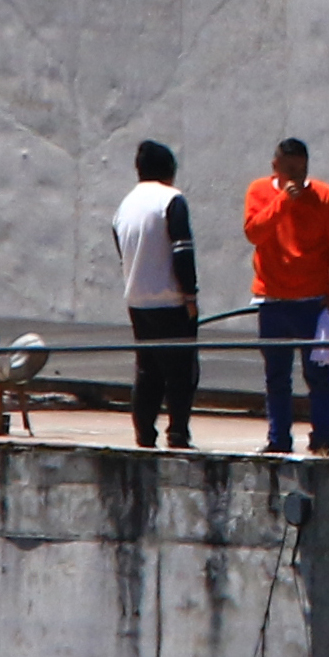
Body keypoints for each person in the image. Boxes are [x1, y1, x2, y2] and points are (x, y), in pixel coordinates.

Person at [242, 137, 329, 457]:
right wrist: (283, 202)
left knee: (318, 375)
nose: (296, 179)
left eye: (301, 171)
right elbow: (253, 233)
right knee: (276, 377)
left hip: (311, 303)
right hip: (273, 301)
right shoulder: (259, 192)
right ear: (275, 166)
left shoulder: (325, 197)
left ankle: (322, 439)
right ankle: (279, 438)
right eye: (289, 171)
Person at [109, 139, 200, 451]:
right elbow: (182, 251)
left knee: (147, 371)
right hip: (170, 299)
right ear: (169, 171)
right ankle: (178, 434)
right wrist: (190, 296)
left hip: (137, 300)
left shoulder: (124, 206)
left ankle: (144, 436)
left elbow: (123, 252)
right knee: (181, 372)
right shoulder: (171, 200)